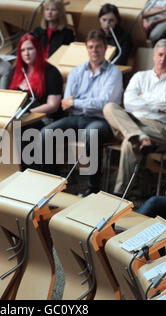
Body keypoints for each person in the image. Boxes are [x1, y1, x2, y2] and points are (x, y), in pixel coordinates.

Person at [40, 30, 123, 197]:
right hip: (75, 118)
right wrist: (76, 103)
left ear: (105, 48)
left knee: (92, 134)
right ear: (86, 49)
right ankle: (54, 185)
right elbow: (65, 103)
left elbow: (104, 104)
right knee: (45, 134)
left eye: (98, 46)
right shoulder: (76, 72)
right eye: (91, 47)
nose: (94, 50)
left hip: (102, 120)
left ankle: (93, 189)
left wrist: (76, 102)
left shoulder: (114, 72)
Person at [103, 39, 166, 195]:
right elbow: (128, 103)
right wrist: (156, 103)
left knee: (130, 143)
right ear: (154, 56)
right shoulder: (140, 76)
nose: (163, 59)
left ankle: (119, 193)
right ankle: (140, 137)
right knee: (109, 107)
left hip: (161, 128)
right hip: (132, 122)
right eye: (160, 55)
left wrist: (144, 97)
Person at [9, 33, 63, 124]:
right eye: (23, 50)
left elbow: (53, 106)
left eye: (30, 49)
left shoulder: (51, 72)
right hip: (17, 118)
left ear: (38, 50)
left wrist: (28, 113)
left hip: (42, 118)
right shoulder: (16, 71)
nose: (26, 53)